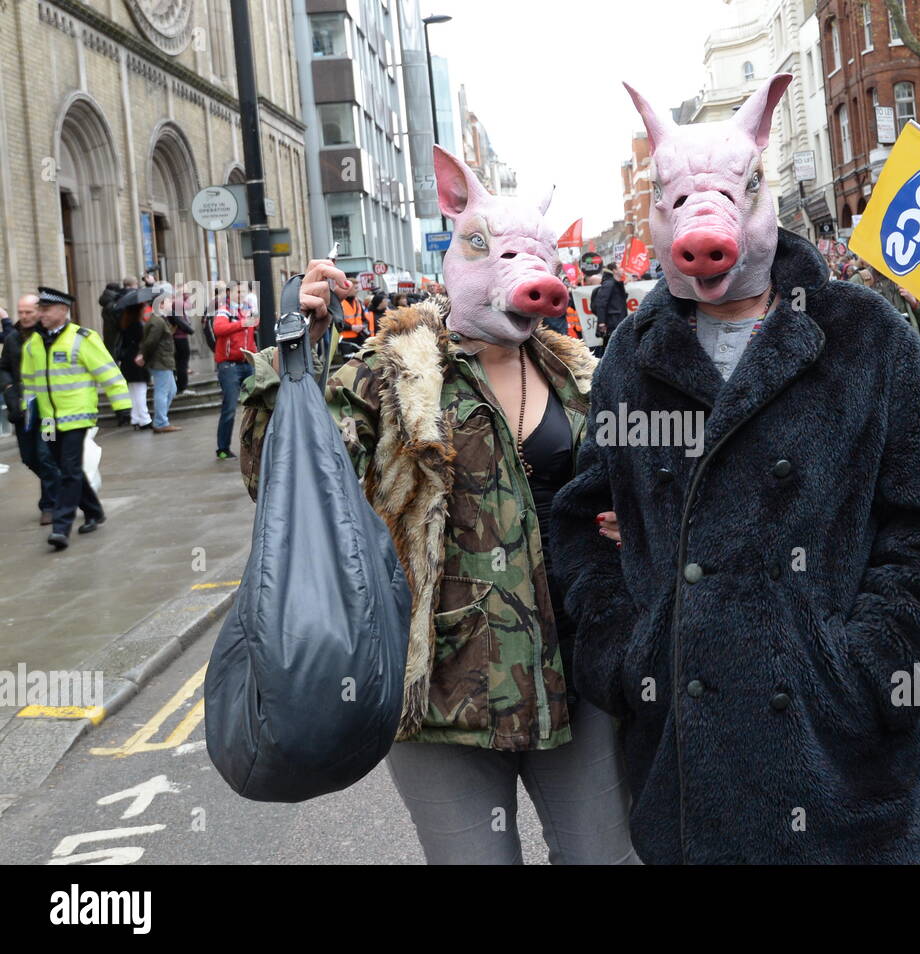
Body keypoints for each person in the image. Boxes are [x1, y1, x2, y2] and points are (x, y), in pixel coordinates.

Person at [551, 76, 920, 864]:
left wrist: (868, 670)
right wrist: (626, 653)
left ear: (759, 198)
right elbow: (581, 518)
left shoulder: (865, 335)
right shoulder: (631, 360)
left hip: (837, 770)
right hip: (687, 770)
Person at [239, 145, 637, 865]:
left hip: (574, 676)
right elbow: (279, 476)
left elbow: (628, 494)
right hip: (441, 693)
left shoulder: (582, 374)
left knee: (606, 857)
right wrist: (296, 354)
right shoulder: (389, 371)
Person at [20, 287, 132, 550]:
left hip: (77, 417)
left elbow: (108, 372)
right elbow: (29, 384)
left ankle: (61, 527)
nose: (41, 315)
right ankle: (93, 510)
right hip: (48, 420)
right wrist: (28, 416)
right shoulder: (33, 344)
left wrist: (122, 405)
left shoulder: (83, 338)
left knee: (68, 470)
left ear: (62, 311)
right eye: (40, 310)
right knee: (63, 468)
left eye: (46, 310)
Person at [1, 294, 61, 524]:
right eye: (21, 312)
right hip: (22, 411)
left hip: (46, 411)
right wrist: (8, 389)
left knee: (46, 456)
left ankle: (50, 505)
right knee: (29, 457)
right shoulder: (13, 339)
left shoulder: (47, 337)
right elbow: (4, 367)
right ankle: (62, 483)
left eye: (29, 312)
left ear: (40, 312)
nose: (24, 316)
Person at [212, 285, 258, 460]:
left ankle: (254, 444)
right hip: (229, 366)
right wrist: (242, 324)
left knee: (256, 405)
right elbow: (219, 329)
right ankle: (223, 448)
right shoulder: (224, 310)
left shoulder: (247, 309)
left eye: (243, 292)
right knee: (230, 407)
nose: (241, 295)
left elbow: (256, 327)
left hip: (247, 363)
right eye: (238, 291)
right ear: (230, 293)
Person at [139, 286, 180, 432]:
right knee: (163, 391)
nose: (171, 303)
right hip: (160, 361)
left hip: (164, 361)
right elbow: (150, 342)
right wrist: (143, 356)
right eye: (169, 301)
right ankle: (161, 422)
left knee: (171, 390)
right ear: (161, 303)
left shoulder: (160, 319)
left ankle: (160, 419)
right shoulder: (157, 321)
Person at [115, 300, 152, 429]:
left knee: (134, 392)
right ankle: (144, 419)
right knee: (140, 391)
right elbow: (144, 342)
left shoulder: (125, 324)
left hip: (128, 361)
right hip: (137, 360)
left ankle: (136, 418)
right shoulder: (138, 325)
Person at [591, 267, 628, 356]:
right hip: (612, 323)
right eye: (620, 267)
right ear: (614, 270)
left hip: (616, 321)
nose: (623, 269)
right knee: (611, 350)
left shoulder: (614, 283)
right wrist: (602, 323)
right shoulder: (609, 284)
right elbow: (601, 303)